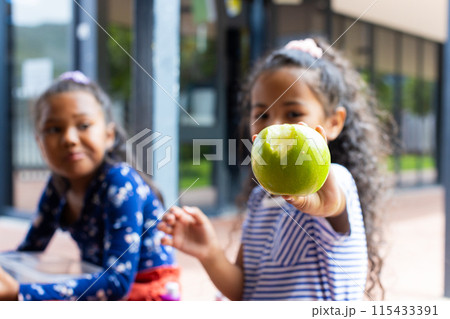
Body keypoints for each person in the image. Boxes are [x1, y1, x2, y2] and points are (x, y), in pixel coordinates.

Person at [157, 38, 390, 300]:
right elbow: (244, 290)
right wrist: (209, 252)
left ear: (333, 122)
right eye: (262, 115)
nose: (273, 126)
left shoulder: (333, 182)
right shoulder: (259, 200)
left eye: (293, 114)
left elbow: (335, 204)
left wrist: (331, 206)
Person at [0, 71, 180, 301]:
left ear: (108, 135)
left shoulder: (120, 182)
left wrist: (20, 293)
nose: (70, 139)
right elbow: (28, 253)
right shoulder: (58, 185)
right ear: (39, 143)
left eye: (83, 125)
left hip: (148, 295)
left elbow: (117, 282)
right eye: (54, 129)